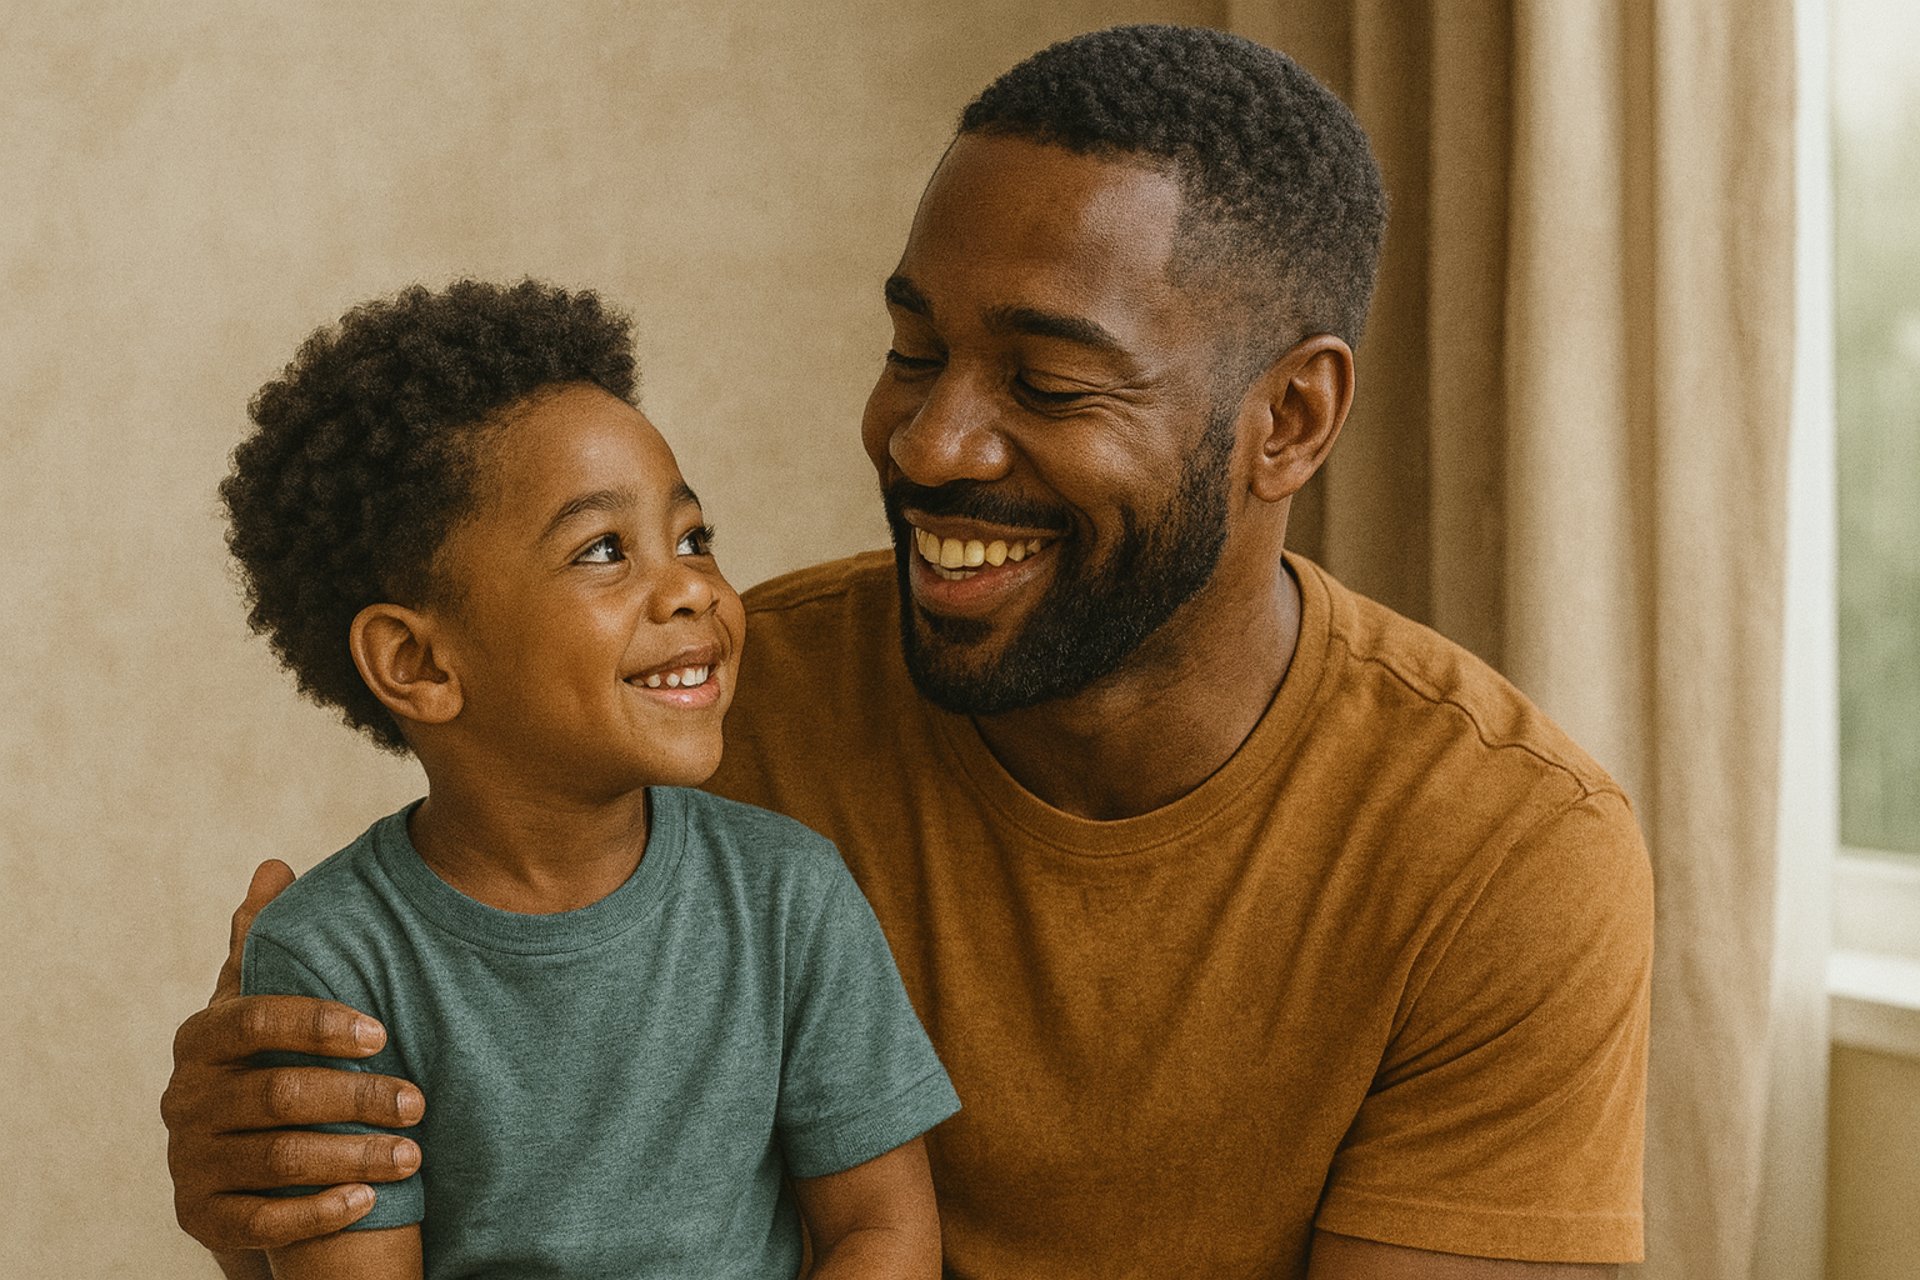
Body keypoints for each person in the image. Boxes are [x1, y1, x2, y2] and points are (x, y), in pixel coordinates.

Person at [163, 26, 1652, 1280]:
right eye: (913, 352)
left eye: (1052, 380)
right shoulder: (705, 717)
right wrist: (271, 1177)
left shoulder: (1504, 855)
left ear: (1289, 423)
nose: (928, 441)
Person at [205, 278, 959, 1279]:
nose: (693, 586)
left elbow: (885, 1232)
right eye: (604, 549)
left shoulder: (789, 893)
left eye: (692, 536)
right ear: (420, 663)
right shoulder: (333, 956)